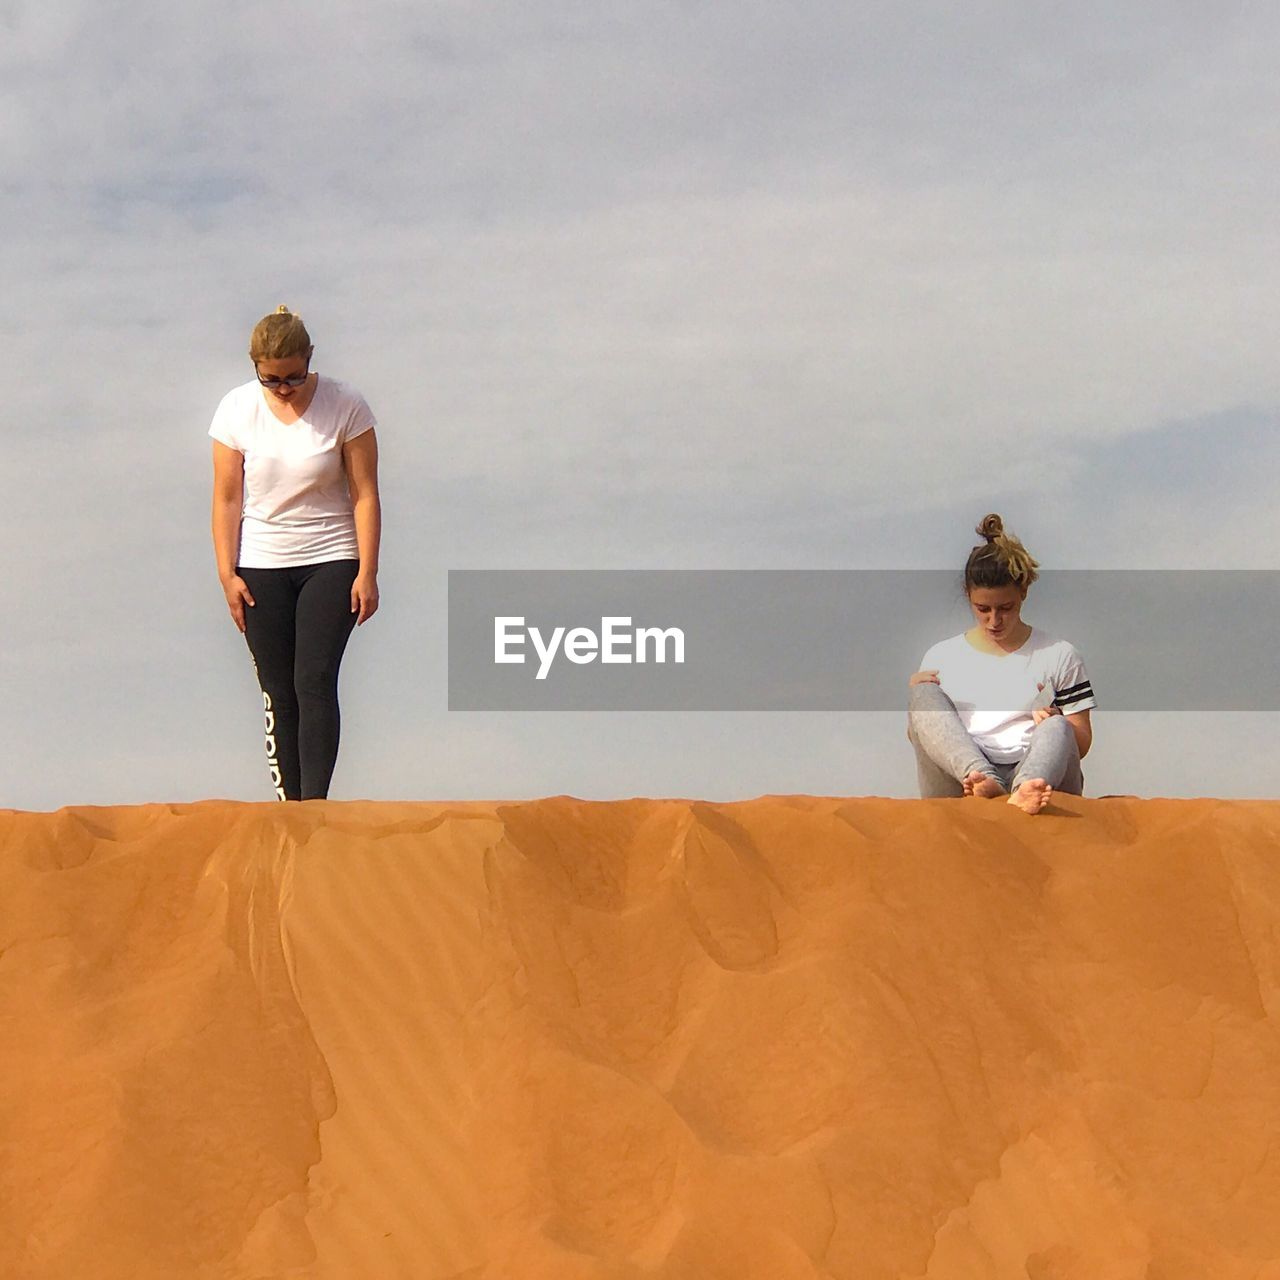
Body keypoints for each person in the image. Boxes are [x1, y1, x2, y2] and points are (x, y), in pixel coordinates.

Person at [209, 305, 381, 801]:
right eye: (271, 379)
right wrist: (227, 574)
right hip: (260, 563)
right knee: (278, 691)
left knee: (314, 679)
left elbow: (365, 493)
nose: (283, 388)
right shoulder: (236, 410)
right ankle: (289, 810)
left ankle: (314, 811)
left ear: (310, 358)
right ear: (256, 368)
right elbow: (226, 497)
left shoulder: (346, 404)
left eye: (293, 376)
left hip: (332, 556)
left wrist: (367, 571)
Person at [906, 513, 1095, 815]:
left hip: (1038, 777)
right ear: (969, 597)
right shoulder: (940, 657)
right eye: (983, 609)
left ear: (1023, 593)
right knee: (922, 695)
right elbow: (925, 740)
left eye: (1005, 608)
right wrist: (918, 706)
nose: (994, 621)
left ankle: (1023, 790)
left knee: (1059, 726)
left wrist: (1053, 718)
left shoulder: (1059, 654)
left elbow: (1081, 742)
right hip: (965, 782)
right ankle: (984, 781)